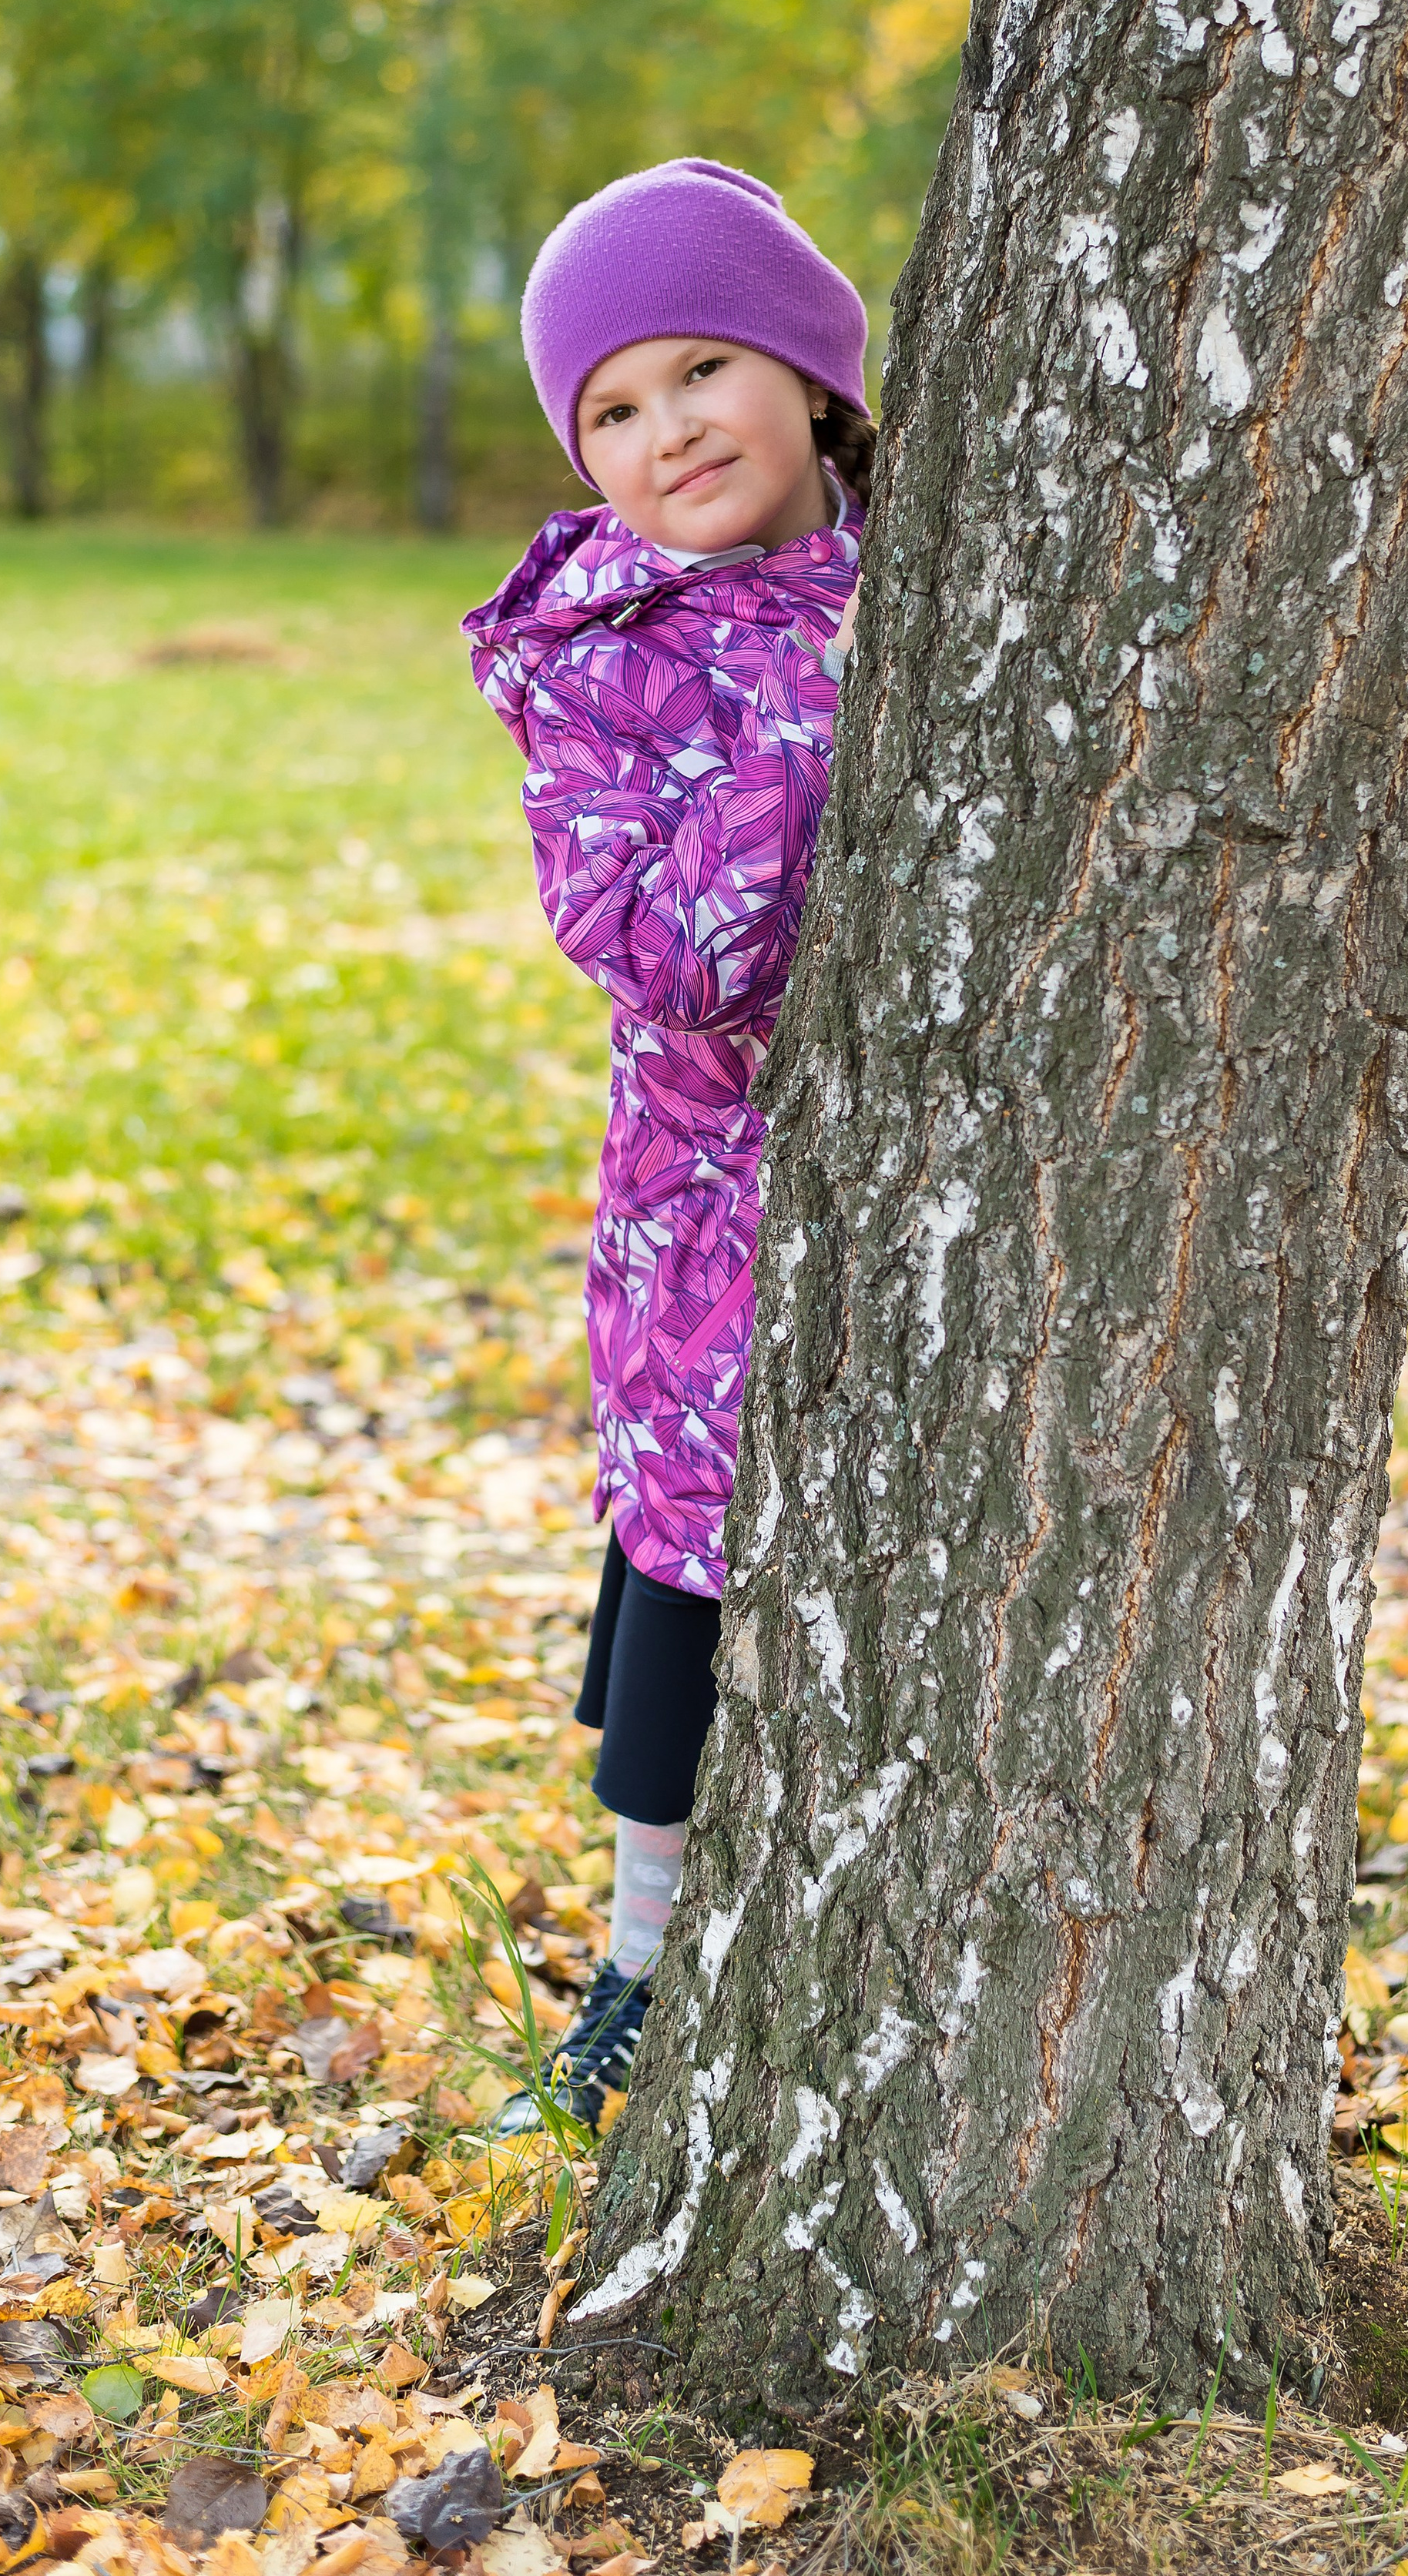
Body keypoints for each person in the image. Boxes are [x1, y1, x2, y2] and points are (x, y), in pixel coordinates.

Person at [462, 158, 871, 2133]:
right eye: (609, 410)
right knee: (687, 1568)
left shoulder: (928, 575)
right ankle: (640, 1949)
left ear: (808, 371)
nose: (664, 431)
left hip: (896, 1192)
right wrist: (808, 735)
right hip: (714, 1196)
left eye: (703, 366)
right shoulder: (598, 646)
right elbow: (660, 950)